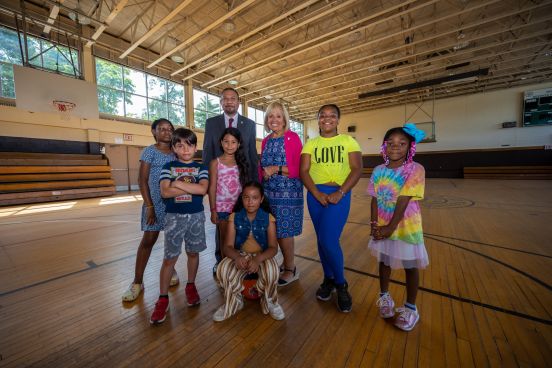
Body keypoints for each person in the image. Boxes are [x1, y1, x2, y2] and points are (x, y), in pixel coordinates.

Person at [299, 104, 362, 313]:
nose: (327, 119)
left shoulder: (348, 141)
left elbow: (357, 169)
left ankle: (341, 284)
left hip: (339, 195)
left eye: (332, 116)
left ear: (338, 119)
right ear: (318, 120)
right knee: (321, 240)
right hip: (316, 195)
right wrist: (317, 194)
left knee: (328, 239)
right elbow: (304, 171)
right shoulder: (310, 144)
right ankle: (328, 278)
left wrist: (340, 192)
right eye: (323, 116)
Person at [368, 123, 429, 331]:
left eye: (402, 143)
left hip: (406, 227)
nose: (396, 147)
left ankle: (411, 308)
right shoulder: (378, 170)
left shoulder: (415, 169)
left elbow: (403, 199)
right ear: (384, 146)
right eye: (391, 143)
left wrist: (391, 227)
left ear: (410, 147)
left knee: (410, 266)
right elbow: (374, 199)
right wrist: (375, 224)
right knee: (384, 261)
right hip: (384, 225)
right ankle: (384, 297)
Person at [149, 128, 209, 324]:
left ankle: (190, 285)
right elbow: (165, 193)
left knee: (193, 253)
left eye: (189, 144)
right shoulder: (168, 166)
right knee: (170, 259)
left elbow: (202, 189)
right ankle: (162, 298)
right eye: (180, 145)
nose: (185, 149)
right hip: (174, 217)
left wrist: (177, 183)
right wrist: (188, 187)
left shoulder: (202, 168)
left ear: (195, 147)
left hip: (196, 216)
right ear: (174, 148)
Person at [122, 118, 179, 302]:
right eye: (162, 129)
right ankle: (137, 282)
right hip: (154, 203)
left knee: (171, 240)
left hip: (172, 203)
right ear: (154, 132)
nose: (166, 132)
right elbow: (142, 180)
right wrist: (149, 206)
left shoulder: (176, 153)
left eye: (169, 129)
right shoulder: (149, 151)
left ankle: (170, 269)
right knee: (148, 240)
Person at [202, 87, 258, 275]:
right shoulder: (211, 123)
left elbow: (251, 156)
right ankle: (221, 262)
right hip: (220, 193)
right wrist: (205, 182)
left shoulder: (249, 124)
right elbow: (207, 151)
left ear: (238, 101)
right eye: (225, 99)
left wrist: (255, 188)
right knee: (222, 232)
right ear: (221, 102)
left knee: (242, 229)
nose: (229, 102)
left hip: (241, 190)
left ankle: (241, 261)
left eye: (232, 98)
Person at [213, 181, 284, 322]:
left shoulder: (268, 218)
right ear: (242, 198)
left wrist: (258, 259)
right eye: (246, 197)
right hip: (241, 254)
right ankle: (233, 300)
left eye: (255, 198)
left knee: (272, 270)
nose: (250, 202)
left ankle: (270, 300)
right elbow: (227, 246)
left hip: (261, 255)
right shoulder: (234, 217)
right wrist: (237, 257)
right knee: (222, 268)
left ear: (261, 199)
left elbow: (273, 247)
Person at [259, 101, 303, 286]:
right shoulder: (266, 140)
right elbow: (263, 167)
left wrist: (275, 169)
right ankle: (284, 263)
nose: (274, 119)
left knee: (285, 232)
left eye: (278, 116)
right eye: (270, 116)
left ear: (284, 119)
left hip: (288, 193)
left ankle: (291, 268)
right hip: (269, 193)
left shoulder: (293, 138)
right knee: (273, 230)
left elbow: (299, 168)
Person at [208, 127, 249, 259]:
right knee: (225, 241)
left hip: (238, 209)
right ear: (221, 142)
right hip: (222, 210)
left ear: (239, 144)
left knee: (239, 241)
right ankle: (223, 269)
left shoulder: (241, 163)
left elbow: (244, 188)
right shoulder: (215, 163)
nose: (229, 145)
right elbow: (212, 188)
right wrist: (213, 210)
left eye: (233, 142)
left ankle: (236, 269)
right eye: (226, 141)